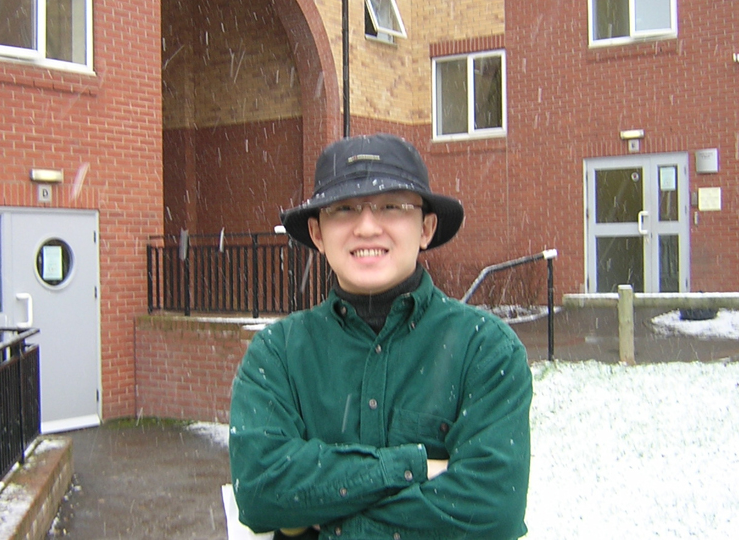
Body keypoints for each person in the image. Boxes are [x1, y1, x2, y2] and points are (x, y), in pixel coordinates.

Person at [228, 134, 532, 540]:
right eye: (344, 209)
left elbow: (493, 510)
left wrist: (324, 515)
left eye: (392, 206)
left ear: (426, 228)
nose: (367, 226)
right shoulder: (277, 354)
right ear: (318, 235)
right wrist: (415, 468)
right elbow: (259, 491)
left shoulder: (485, 349)